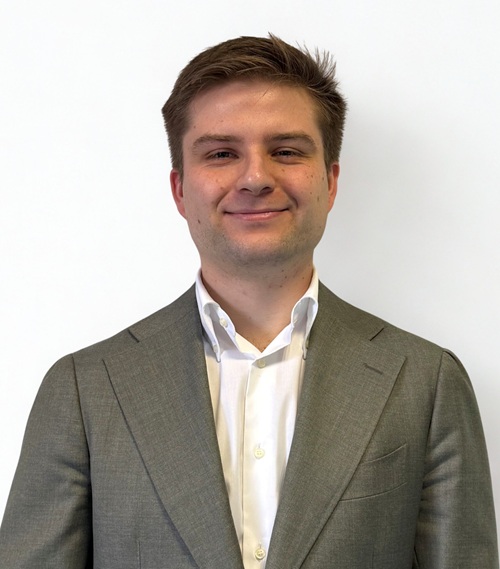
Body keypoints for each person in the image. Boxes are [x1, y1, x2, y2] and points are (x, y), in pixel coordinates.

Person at [0, 35, 498, 569]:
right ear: (180, 190)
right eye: (221, 153)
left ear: (331, 182)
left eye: (286, 151)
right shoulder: (85, 390)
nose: (256, 177)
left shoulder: (426, 382)